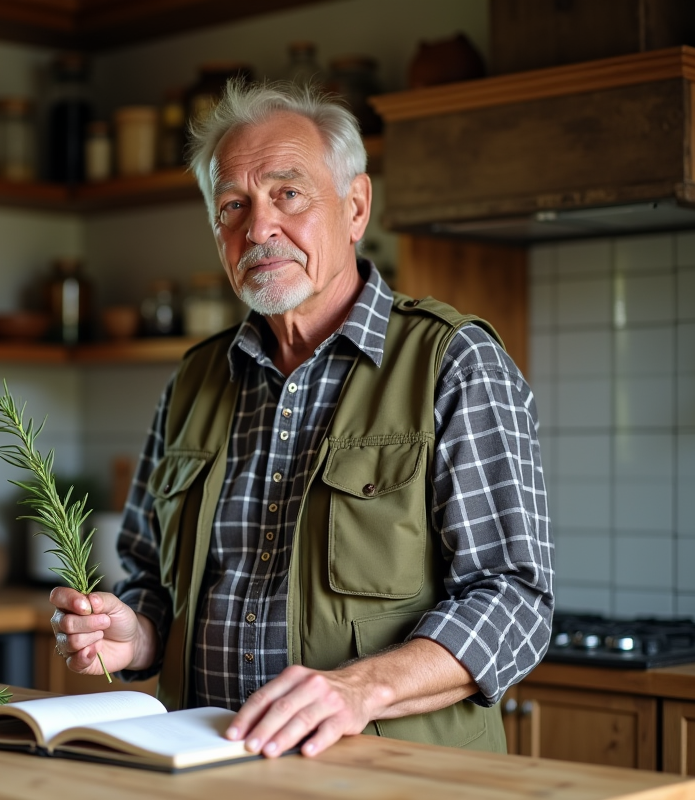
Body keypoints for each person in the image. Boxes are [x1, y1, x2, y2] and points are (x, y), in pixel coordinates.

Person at [49, 81, 552, 758]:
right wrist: (135, 634)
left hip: (395, 778)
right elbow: (149, 581)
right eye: (233, 206)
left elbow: (514, 602)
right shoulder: (194, 381)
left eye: (288, 193)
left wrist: (359, 689)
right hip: (204, 767)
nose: (258, 228)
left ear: (355, 206)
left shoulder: (454, 362)